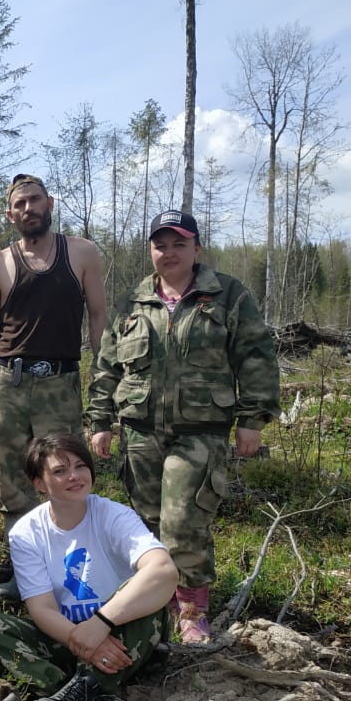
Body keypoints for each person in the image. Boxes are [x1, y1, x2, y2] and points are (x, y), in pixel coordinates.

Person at [86, 209, 280, 643]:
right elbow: (107, 366)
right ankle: (154, 605)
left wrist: (252, 420)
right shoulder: (133, 301)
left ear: (196, 247)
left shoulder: (227, 295)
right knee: (146, 524)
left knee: (183, 522)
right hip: (139, 430)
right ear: (150, 250)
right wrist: (100, 420)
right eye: (160, 244)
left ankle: (191, 610)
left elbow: (256, 357)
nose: (168, 252)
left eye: (178, 243)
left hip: (200, 430)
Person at [0, 434, 178, 701]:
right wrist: (85, 643)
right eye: (60, 471)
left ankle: (72, 696)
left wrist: (102, 622)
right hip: (68, 640)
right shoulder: (27, 533)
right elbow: (42, 609)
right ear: (39, 483)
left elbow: (164, 571)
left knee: (146, 596)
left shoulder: (114, 515)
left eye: (81, 466)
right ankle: (89, 692)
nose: (75, 476)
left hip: (123, 635)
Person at [0, 173, 107, 532]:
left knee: (65, 471)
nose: (29, 208)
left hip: (60, 383)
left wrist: (102, 378)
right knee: (12, 479)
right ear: (9, 215)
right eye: (20, 204)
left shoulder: (82, 253)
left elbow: (98, 316)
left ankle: (69, 557)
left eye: (34, 199)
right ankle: (23, 563)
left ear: (49, 204)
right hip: (8, 384)